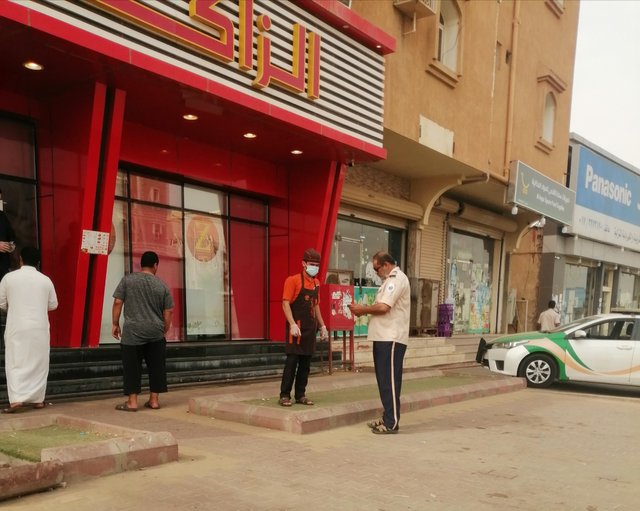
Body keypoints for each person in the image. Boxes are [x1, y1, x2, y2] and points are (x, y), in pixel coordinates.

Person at [349, 251, 410, 434]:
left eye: (376, 268)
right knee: (384, 381)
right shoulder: (388, 281)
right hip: (383, 336)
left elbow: (384, 307)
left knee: (389, 382)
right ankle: (387, 417)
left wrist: (362, 309)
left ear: (386, 265)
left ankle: (391, 423)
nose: (375, 272)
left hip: (391, 338)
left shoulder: (397, 279)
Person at [112, 251, 173, 412]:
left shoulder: (128, 280)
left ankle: (132, 402)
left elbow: (118, 302)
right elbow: (168, 312)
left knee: (132, 366)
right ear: (155, 265)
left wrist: (115, 323)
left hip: (133, 332)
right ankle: (154, 401)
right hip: (155, 332)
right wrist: (164, 328)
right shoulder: (162, 285)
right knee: (157, 366)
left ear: (141, 265)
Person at [0, 246, 58, 413]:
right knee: (39, 362)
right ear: (38, 262)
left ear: (20, 259)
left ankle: (16, 400)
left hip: (16, 326)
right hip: (39, 327)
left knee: (15, 361)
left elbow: (1, 303)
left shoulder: (9, 278)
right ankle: (38, 399)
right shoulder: (45, 280)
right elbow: (53, 305)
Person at [279, 248, 328, 406]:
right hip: (296, 328)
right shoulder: (292, 280)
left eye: (317, 265)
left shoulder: (316, 283)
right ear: (303, 264)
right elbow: (285, 303)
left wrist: (323, 326)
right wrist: (292, 324)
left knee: (306, 365)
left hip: (310, 329)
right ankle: (285, 395)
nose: (315, 267)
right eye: (312, 264)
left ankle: (301, 394)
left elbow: (316, 306)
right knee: (292, 363)